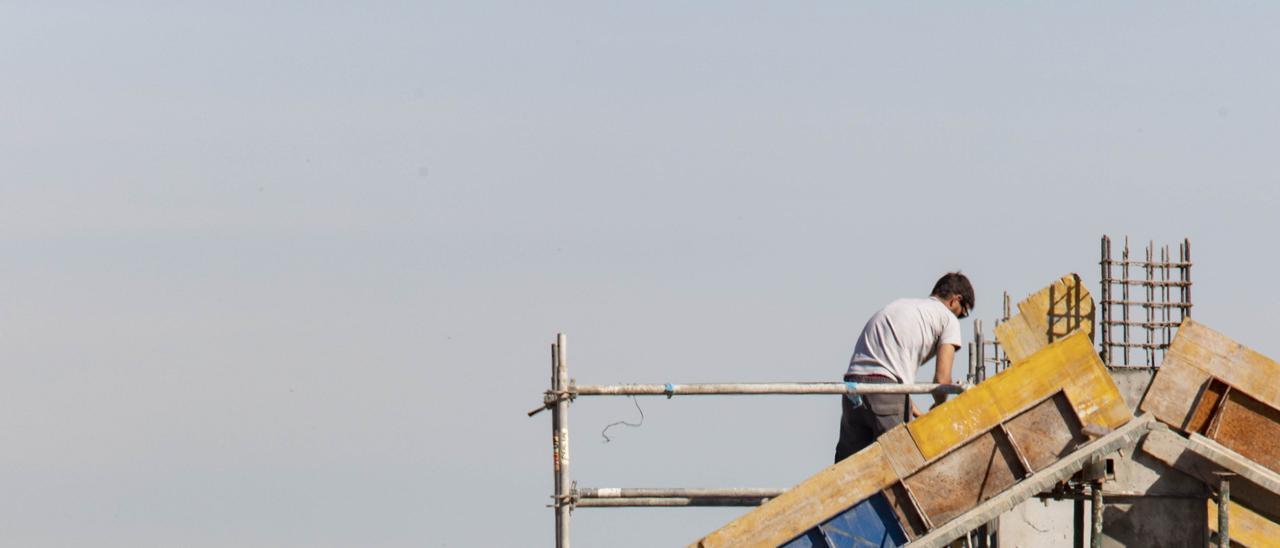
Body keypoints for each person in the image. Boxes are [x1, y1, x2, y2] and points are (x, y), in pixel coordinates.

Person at [834, 272, 974, 463]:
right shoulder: (947, 319)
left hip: (853, 389)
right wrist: (939, 407)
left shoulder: (901, 307)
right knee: (902, 465)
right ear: (954, 301)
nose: (959, 318)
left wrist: (916, 412)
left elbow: (884, 373)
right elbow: (942, 380)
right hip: (886, 392)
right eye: (963, 313)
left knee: (846, 473)